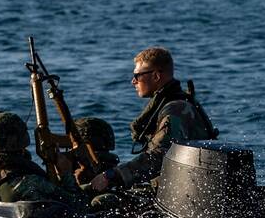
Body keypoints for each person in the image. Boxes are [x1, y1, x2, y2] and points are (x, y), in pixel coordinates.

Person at [90, 46, 216, 193]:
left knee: (99, 202)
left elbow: (162, 157)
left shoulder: (174, 110)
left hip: (177, 192)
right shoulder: (176, 104)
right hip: (179, 186)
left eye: (137, 76)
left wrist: (112, 175)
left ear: (156, 76)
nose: (133, 81)